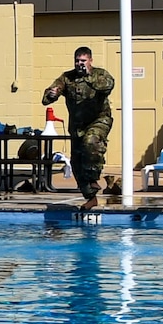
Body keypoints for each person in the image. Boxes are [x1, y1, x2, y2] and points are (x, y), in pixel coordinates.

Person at [44, 46, 116, 211]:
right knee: (77, 164)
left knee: (91, 141)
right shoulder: (67, 78)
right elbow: (47, 97)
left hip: (99, 120)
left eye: (83, 61)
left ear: (90, 60)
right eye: (77, 61)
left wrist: (88, 76)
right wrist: (52, 94)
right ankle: (91, 198)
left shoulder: (100, 75)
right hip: (77, 126)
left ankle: (94, 178)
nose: (79, 64)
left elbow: (108, 86)